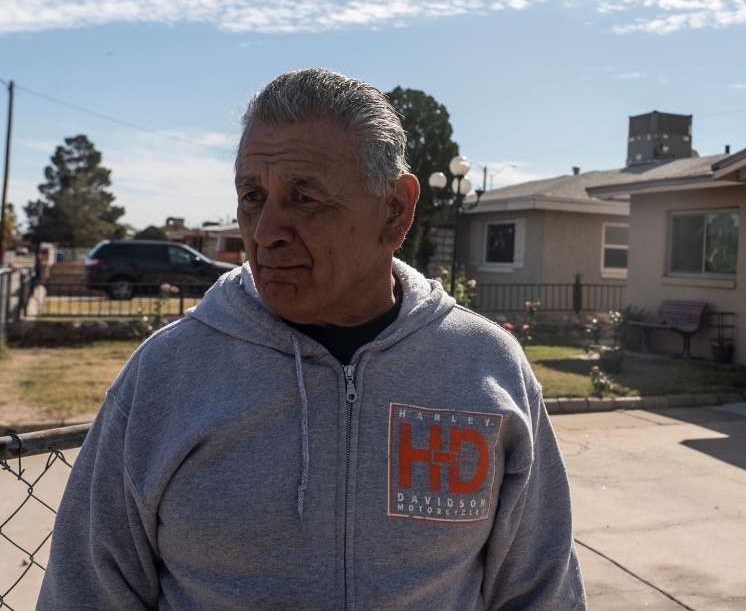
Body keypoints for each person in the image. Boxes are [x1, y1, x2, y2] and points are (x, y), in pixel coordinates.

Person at [37, 69, 587, 610]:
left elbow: (540, 589)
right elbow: (84, 591)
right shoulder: (166, 374)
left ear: (394, 210)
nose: (265, 231)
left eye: (305, 198)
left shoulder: (485, 367)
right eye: (253, 195)